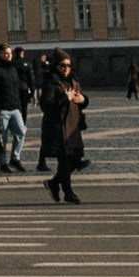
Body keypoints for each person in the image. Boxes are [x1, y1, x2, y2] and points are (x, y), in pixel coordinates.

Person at [41, 54, 89, 203]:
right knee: (65, 161)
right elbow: (46, 105)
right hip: (58, 128)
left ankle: (54, 183)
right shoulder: (51, 82)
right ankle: (68, 193)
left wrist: (84, 100)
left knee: (74, 160)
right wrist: (64, 98)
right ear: (56, 66)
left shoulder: (73, 81)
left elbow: (81, 100)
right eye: (62, 65)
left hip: (72, 127)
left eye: (68, 65)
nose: (66, 68)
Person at [0, 43, 29, 173]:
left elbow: (16, 88)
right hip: (2, 109)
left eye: (10, 53)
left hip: (15, 107)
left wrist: (20, 107)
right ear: (0, 54)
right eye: (6, 53)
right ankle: (3, 163)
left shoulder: (13, 68)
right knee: (2, 139)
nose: (9, 56)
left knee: (21, 131)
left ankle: (15, 158)